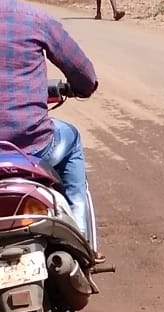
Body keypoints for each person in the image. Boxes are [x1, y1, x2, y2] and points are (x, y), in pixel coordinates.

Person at [0, 0, 100, 250]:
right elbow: (84, 73)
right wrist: (82, 88)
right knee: (72, 138)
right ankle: (80, 237)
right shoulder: (33, 17)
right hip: (33, 147)